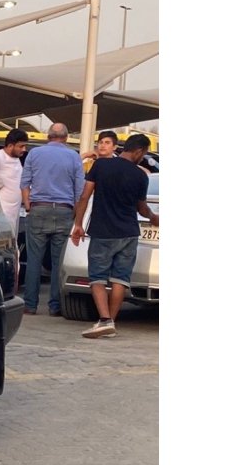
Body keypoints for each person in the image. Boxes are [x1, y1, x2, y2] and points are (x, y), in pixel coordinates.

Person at [70, 133, 158, 339]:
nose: (142, 157)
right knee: (120, 279)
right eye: (143, 154)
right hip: (129, 233)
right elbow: (142, 208)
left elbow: (85, 195)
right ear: (138, 151)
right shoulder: (140, 176)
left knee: (98, 278)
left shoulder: (101, 166)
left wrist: (78, 224)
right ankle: (110, 322)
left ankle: (105, 320)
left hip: (103, 231)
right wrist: (154, 217)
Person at [19, 122, 84, 316]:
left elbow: (25, 183)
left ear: (48, 136)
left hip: (38, 209)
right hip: (64, 211)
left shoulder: (34, 154)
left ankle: (30, 304)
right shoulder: (74, 156)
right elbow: (79, 190)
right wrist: (74, 213)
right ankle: (55, 306)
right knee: (58, 262)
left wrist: (28, 205)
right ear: (65, 138)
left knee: (34, 260)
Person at [0, 129, 28, 287]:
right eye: (21, 146)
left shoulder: (17, 161)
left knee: (12, 245)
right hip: (2, 211)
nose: (24, 150)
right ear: (10, 145)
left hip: (15, 211)